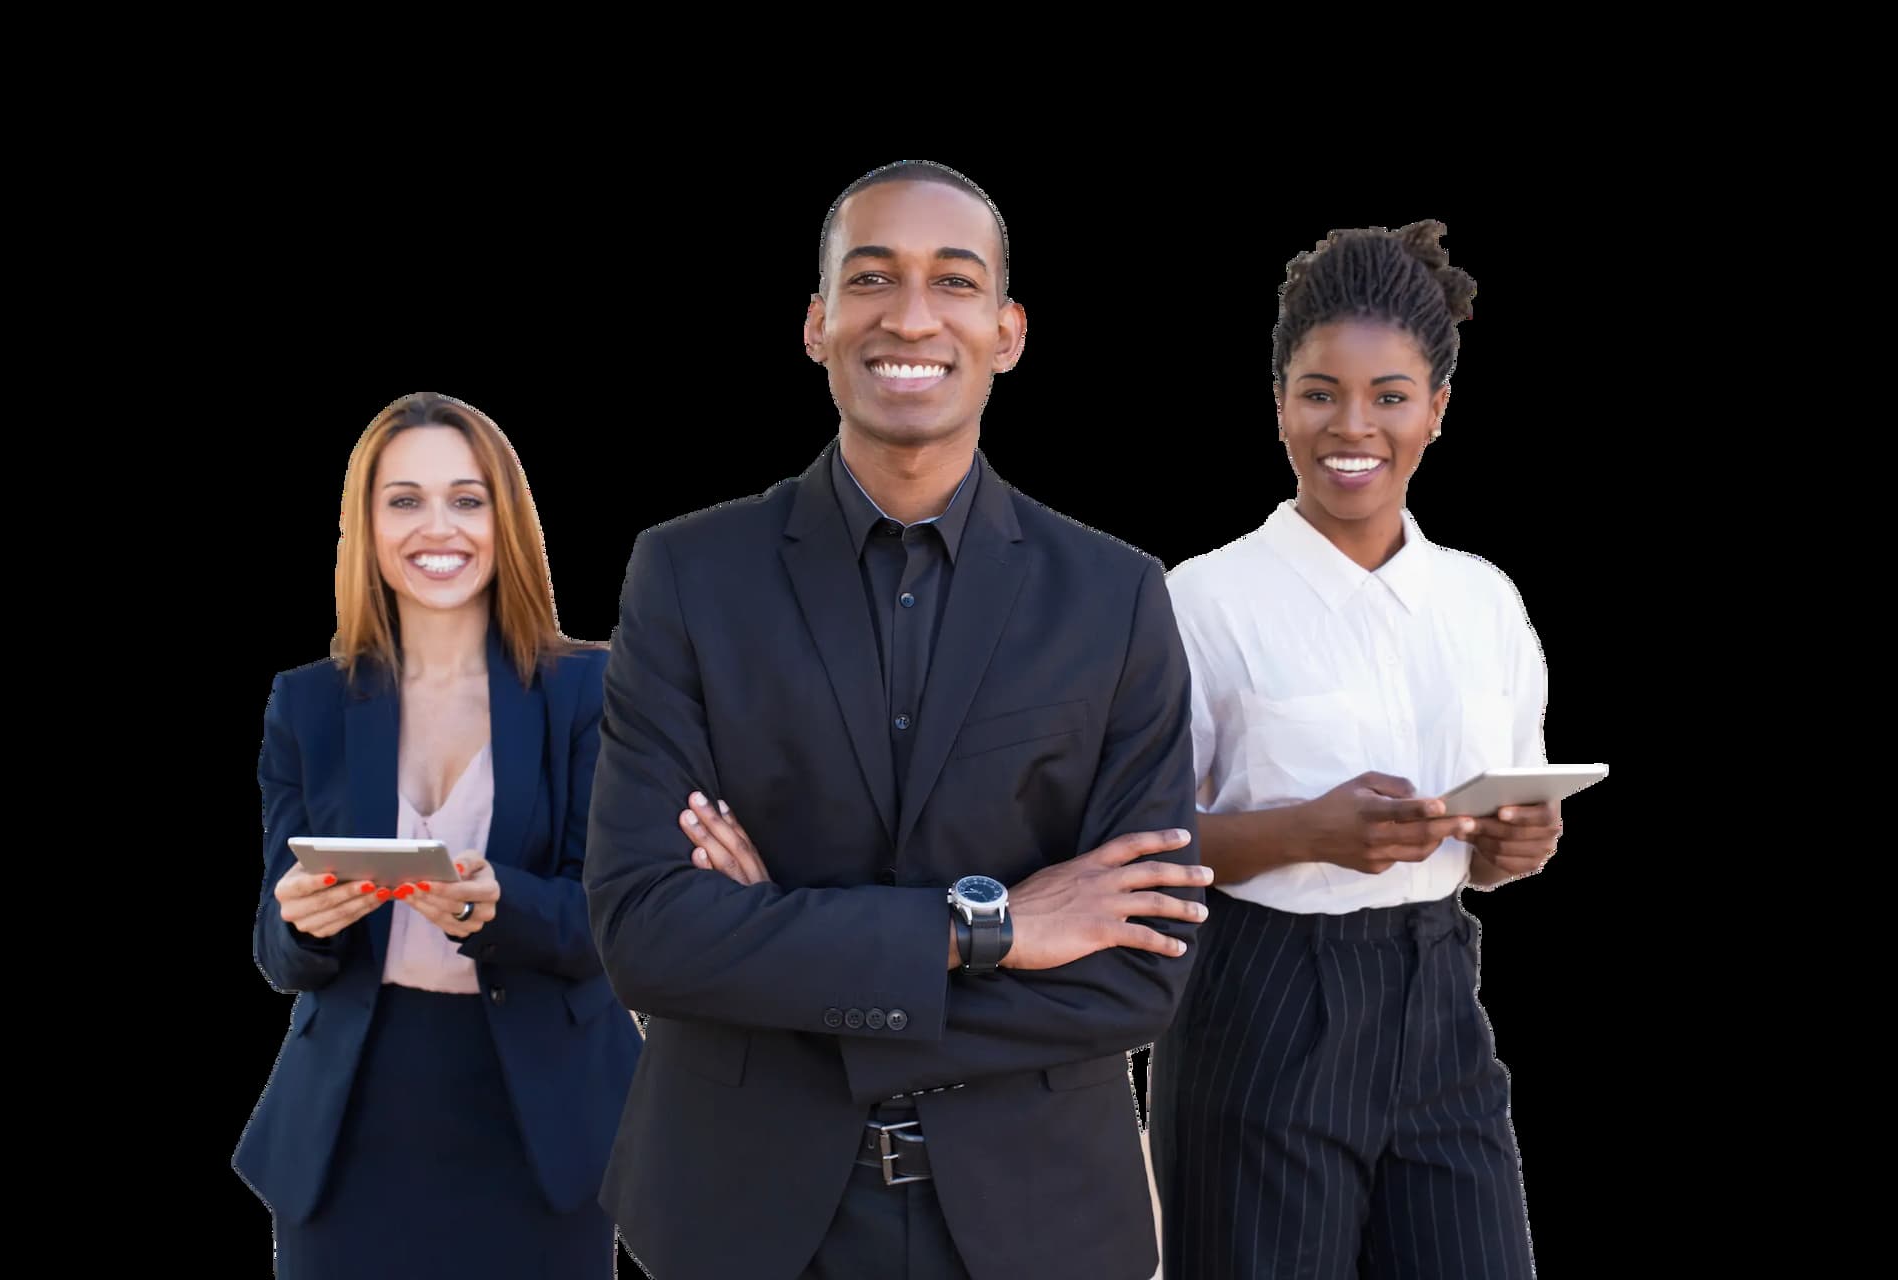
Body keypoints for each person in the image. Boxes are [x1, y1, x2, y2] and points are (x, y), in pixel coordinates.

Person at [581, 160, 1215, 1280]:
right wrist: (992, 930)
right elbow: (646, 934)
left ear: (1007, 330)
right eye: (871, 278)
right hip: (741, 1217)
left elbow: (1138, 973)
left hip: (1039, 1224)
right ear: (819, 324)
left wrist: (779, 946)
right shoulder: (685, 575)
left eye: (952, 281)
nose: (909, 315)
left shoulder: (1116, 596)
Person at [1147, 222, 1556, 1278]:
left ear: (1438, 410)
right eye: (1320, 391)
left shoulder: (1484, 601)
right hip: (1261, 1009)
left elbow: (1499, 831)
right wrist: (1306, 831)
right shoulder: (1202, 602)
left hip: (1439, 1001)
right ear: (1279, 397)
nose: (1353, 425)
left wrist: (1517, 844)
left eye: (1390, 394)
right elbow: (1136, 846)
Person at [233, 393, 646, 1279]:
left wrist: (505, 907)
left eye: (467, 499)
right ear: (368, 525)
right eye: (404, 500)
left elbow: (620, 923)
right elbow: (277, 953)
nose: (438, 528)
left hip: (541, 1124)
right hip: (353, 1125)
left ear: (506, 519)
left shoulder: (592, 691)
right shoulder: (307, 704)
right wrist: (304, 918)